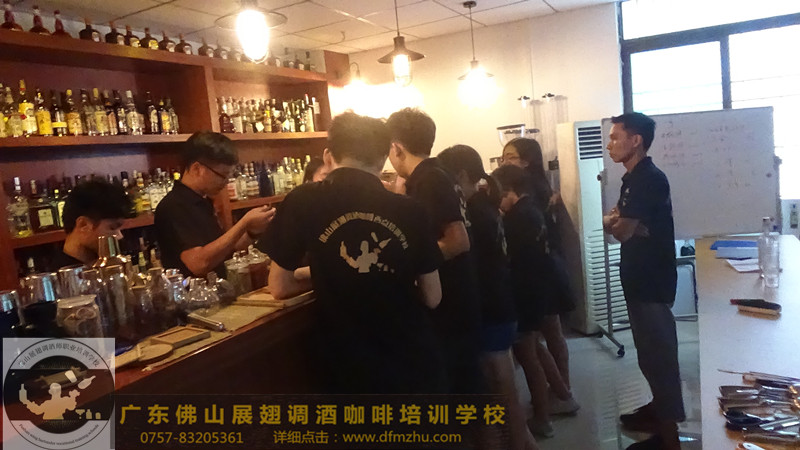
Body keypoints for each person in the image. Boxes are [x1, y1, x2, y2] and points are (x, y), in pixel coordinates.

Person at [258, 112, 446, 394]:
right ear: (383, 158)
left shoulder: (303, 200)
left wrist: (331, 275)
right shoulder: (411, 209)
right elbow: (433, 297)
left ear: (328, 156)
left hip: (347, 366)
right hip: (412, 360)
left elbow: (279, 286)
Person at [437, 145, 539, 450]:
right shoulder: (484, 204)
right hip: (500, 303)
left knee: (501, 390)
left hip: (492, 307)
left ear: (461, 176)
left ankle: (519, 443)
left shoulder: (475, 212)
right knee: (501, 388)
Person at [386, 107, 484, 395]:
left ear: (396, 148)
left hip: (452, 303)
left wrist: (414, 265)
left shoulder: (429, 180)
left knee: (461, 392)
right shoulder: (436, 174)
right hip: (459, 298)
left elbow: (458, 241)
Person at [603, 112, 683, 450]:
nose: (609, 144)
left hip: (651, 282)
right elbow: (621, 223)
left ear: (636, 141)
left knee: (660, 359)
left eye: (615, 137)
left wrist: (617, 223)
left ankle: (671, 440)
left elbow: (620, 229)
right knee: (649, 357)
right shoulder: (632, 179)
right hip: (638, 280)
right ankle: (659, 423)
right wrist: (620, 222)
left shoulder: (648, 178)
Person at [501, 138, 578, 399]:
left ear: (527, 160)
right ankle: (561, 388)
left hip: (542, 268)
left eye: (511, 157)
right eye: (504, 157)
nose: (505, 162)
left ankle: (562, 389)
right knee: (546, 333)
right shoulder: (536, 189)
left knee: (549, 332)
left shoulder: (531, 194)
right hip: (544, 265)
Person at [155, 131, 275, 278]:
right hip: (192, 291)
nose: (226, 182)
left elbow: (226, 251)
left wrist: (252, 231)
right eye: (222, 175)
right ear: (197, 169)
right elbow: (198, 264)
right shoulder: (173, 206)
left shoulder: (203, 201)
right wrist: (244, 223)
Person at [56, 178, 135, 268]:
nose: (120, 236)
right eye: (112, 228)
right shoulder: (59, 275)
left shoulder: (101, 267)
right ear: (83, 224)